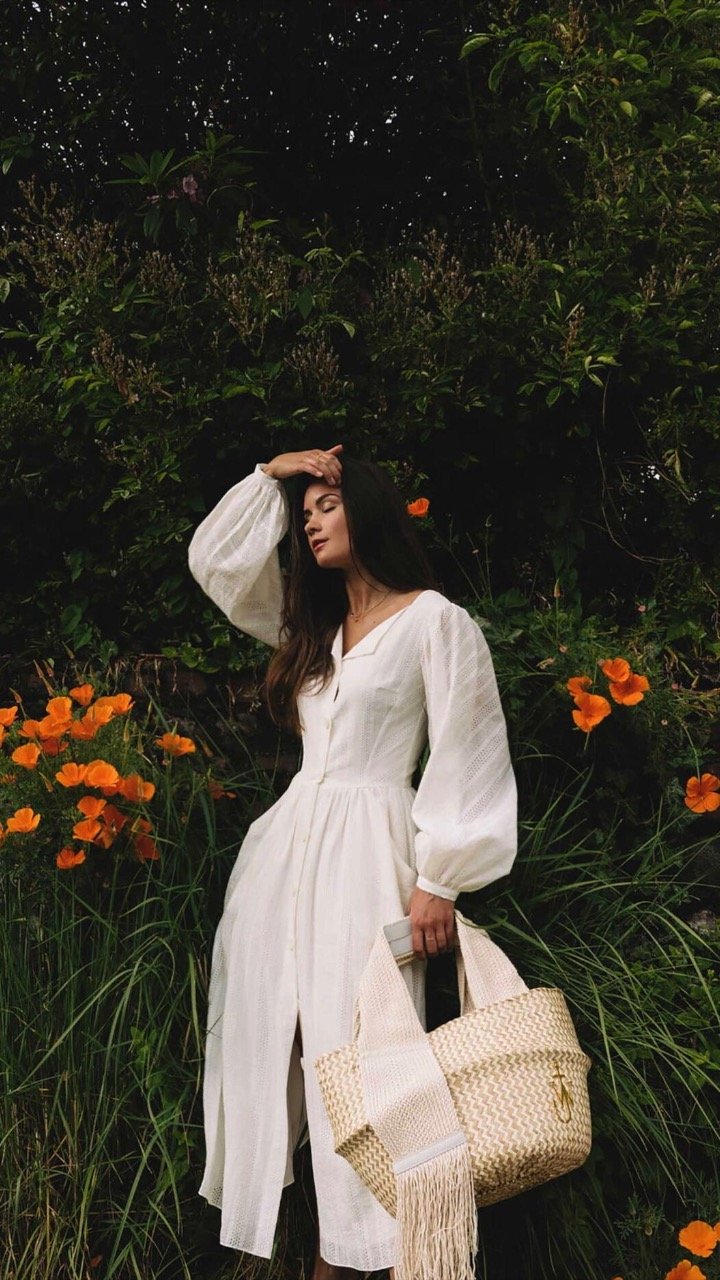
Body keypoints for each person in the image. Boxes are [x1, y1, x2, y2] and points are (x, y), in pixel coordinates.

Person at [187, 443, 518, 1280]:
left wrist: (439, 879)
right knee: (271, 1045)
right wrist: (272, 475)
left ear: (366, 508)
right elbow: (216, 564)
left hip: (372, 853)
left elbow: (468, 747)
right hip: (282, 860)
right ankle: (295, 1250)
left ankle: (362, 1260)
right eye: (305, 517)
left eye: (324, 505)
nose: (310, 522)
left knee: (366, 1058)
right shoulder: (312, 630)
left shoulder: (432, 620)